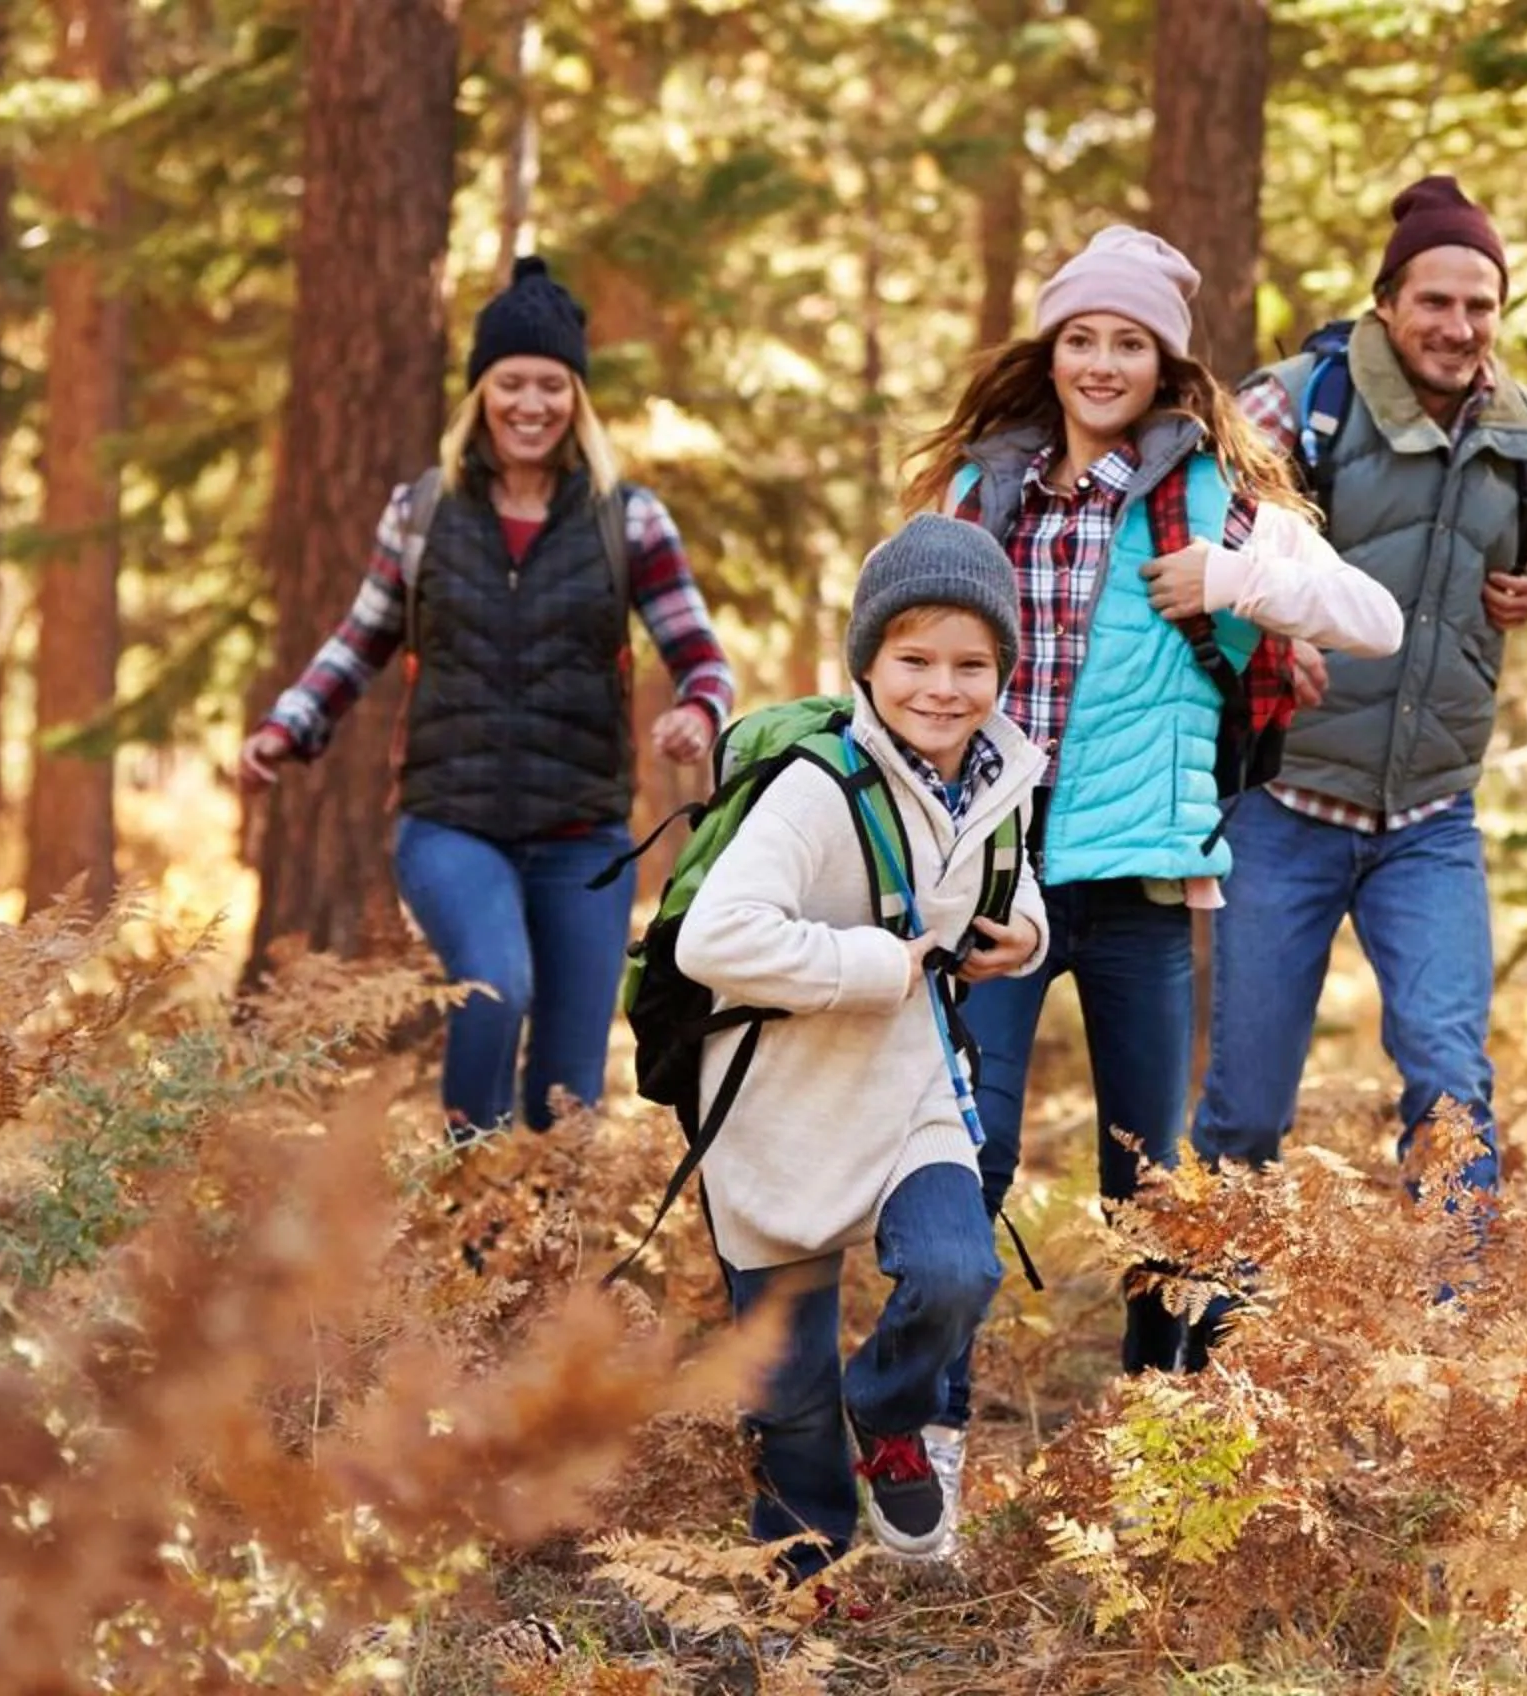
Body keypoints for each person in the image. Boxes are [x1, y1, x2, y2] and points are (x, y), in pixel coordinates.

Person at [898, 226, 1402, 1504]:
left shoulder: (1209, 503)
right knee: (971, 1153)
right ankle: (931, 1445)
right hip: (994, 882)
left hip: (1138, 889)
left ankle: (1152, 1445)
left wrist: (1236, 576)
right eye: (1082, 338)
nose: (1103, 361)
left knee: (1149, 1184)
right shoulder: (982, 494)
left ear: (1166, 363)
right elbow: (896, 648)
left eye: (1129, 342)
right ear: (1051, 353)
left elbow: (1375, 620)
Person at [239, 256, 735, 1143]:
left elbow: (699, 652)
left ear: (576, 398)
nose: (531, 405)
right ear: (482, 393)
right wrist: (289, 726)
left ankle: (541, 1271)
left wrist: (698, 711)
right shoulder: (424, 513)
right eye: (512, 383)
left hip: (583, 836)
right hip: (451, 823)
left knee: (568, 1095)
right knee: (495, 984)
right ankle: (470, 1221)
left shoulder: (629, 520)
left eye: (552, 384)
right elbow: (360, 641)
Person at [1192, 176, 1527, 1205]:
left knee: (1453, 1088)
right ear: (1385, 302)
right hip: (1285, 805)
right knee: (1245, 1111)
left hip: (1431, 818)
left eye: (1480, 306)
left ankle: (1443, 1351)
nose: (1459, 328)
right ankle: (1198, 1351)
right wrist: (1271, 628)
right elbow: (1192, 536)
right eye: (1435, 302)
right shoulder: (1295, 402)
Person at [676, 515, 1045, 1571]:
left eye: (972, 663)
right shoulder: (814, 786)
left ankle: (886, 1412)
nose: (944, 687)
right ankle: (806, 1583)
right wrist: (876, 965)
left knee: (955, 1271)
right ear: (868, 665)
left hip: (909, 1096)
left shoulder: (1002, 776)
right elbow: (716, 936)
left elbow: (1008, 886)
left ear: (1002, 671)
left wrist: (1029, 933)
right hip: (776, 1109)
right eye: (914, 659)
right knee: (787, 1399)